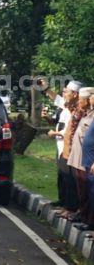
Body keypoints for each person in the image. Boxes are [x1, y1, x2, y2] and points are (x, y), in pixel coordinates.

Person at [41, 79, 82, 219]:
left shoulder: (77, 109)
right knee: (62, 176)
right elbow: (56, 99)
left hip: (69, 148)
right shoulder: (66, 106)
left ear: (75, 94)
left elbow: (72, 130)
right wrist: (46, 89)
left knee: (69, 178)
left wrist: (56, 133)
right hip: (61, 146)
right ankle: (64, 202)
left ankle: (71, 207)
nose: (64, 94)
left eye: (67, 92)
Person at [69, 88, 94, 230]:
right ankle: (88, 221)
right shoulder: (87, 114)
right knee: (87, 193)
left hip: (90, 162)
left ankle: (89, 222)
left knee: (89, 193)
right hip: (84, 160)